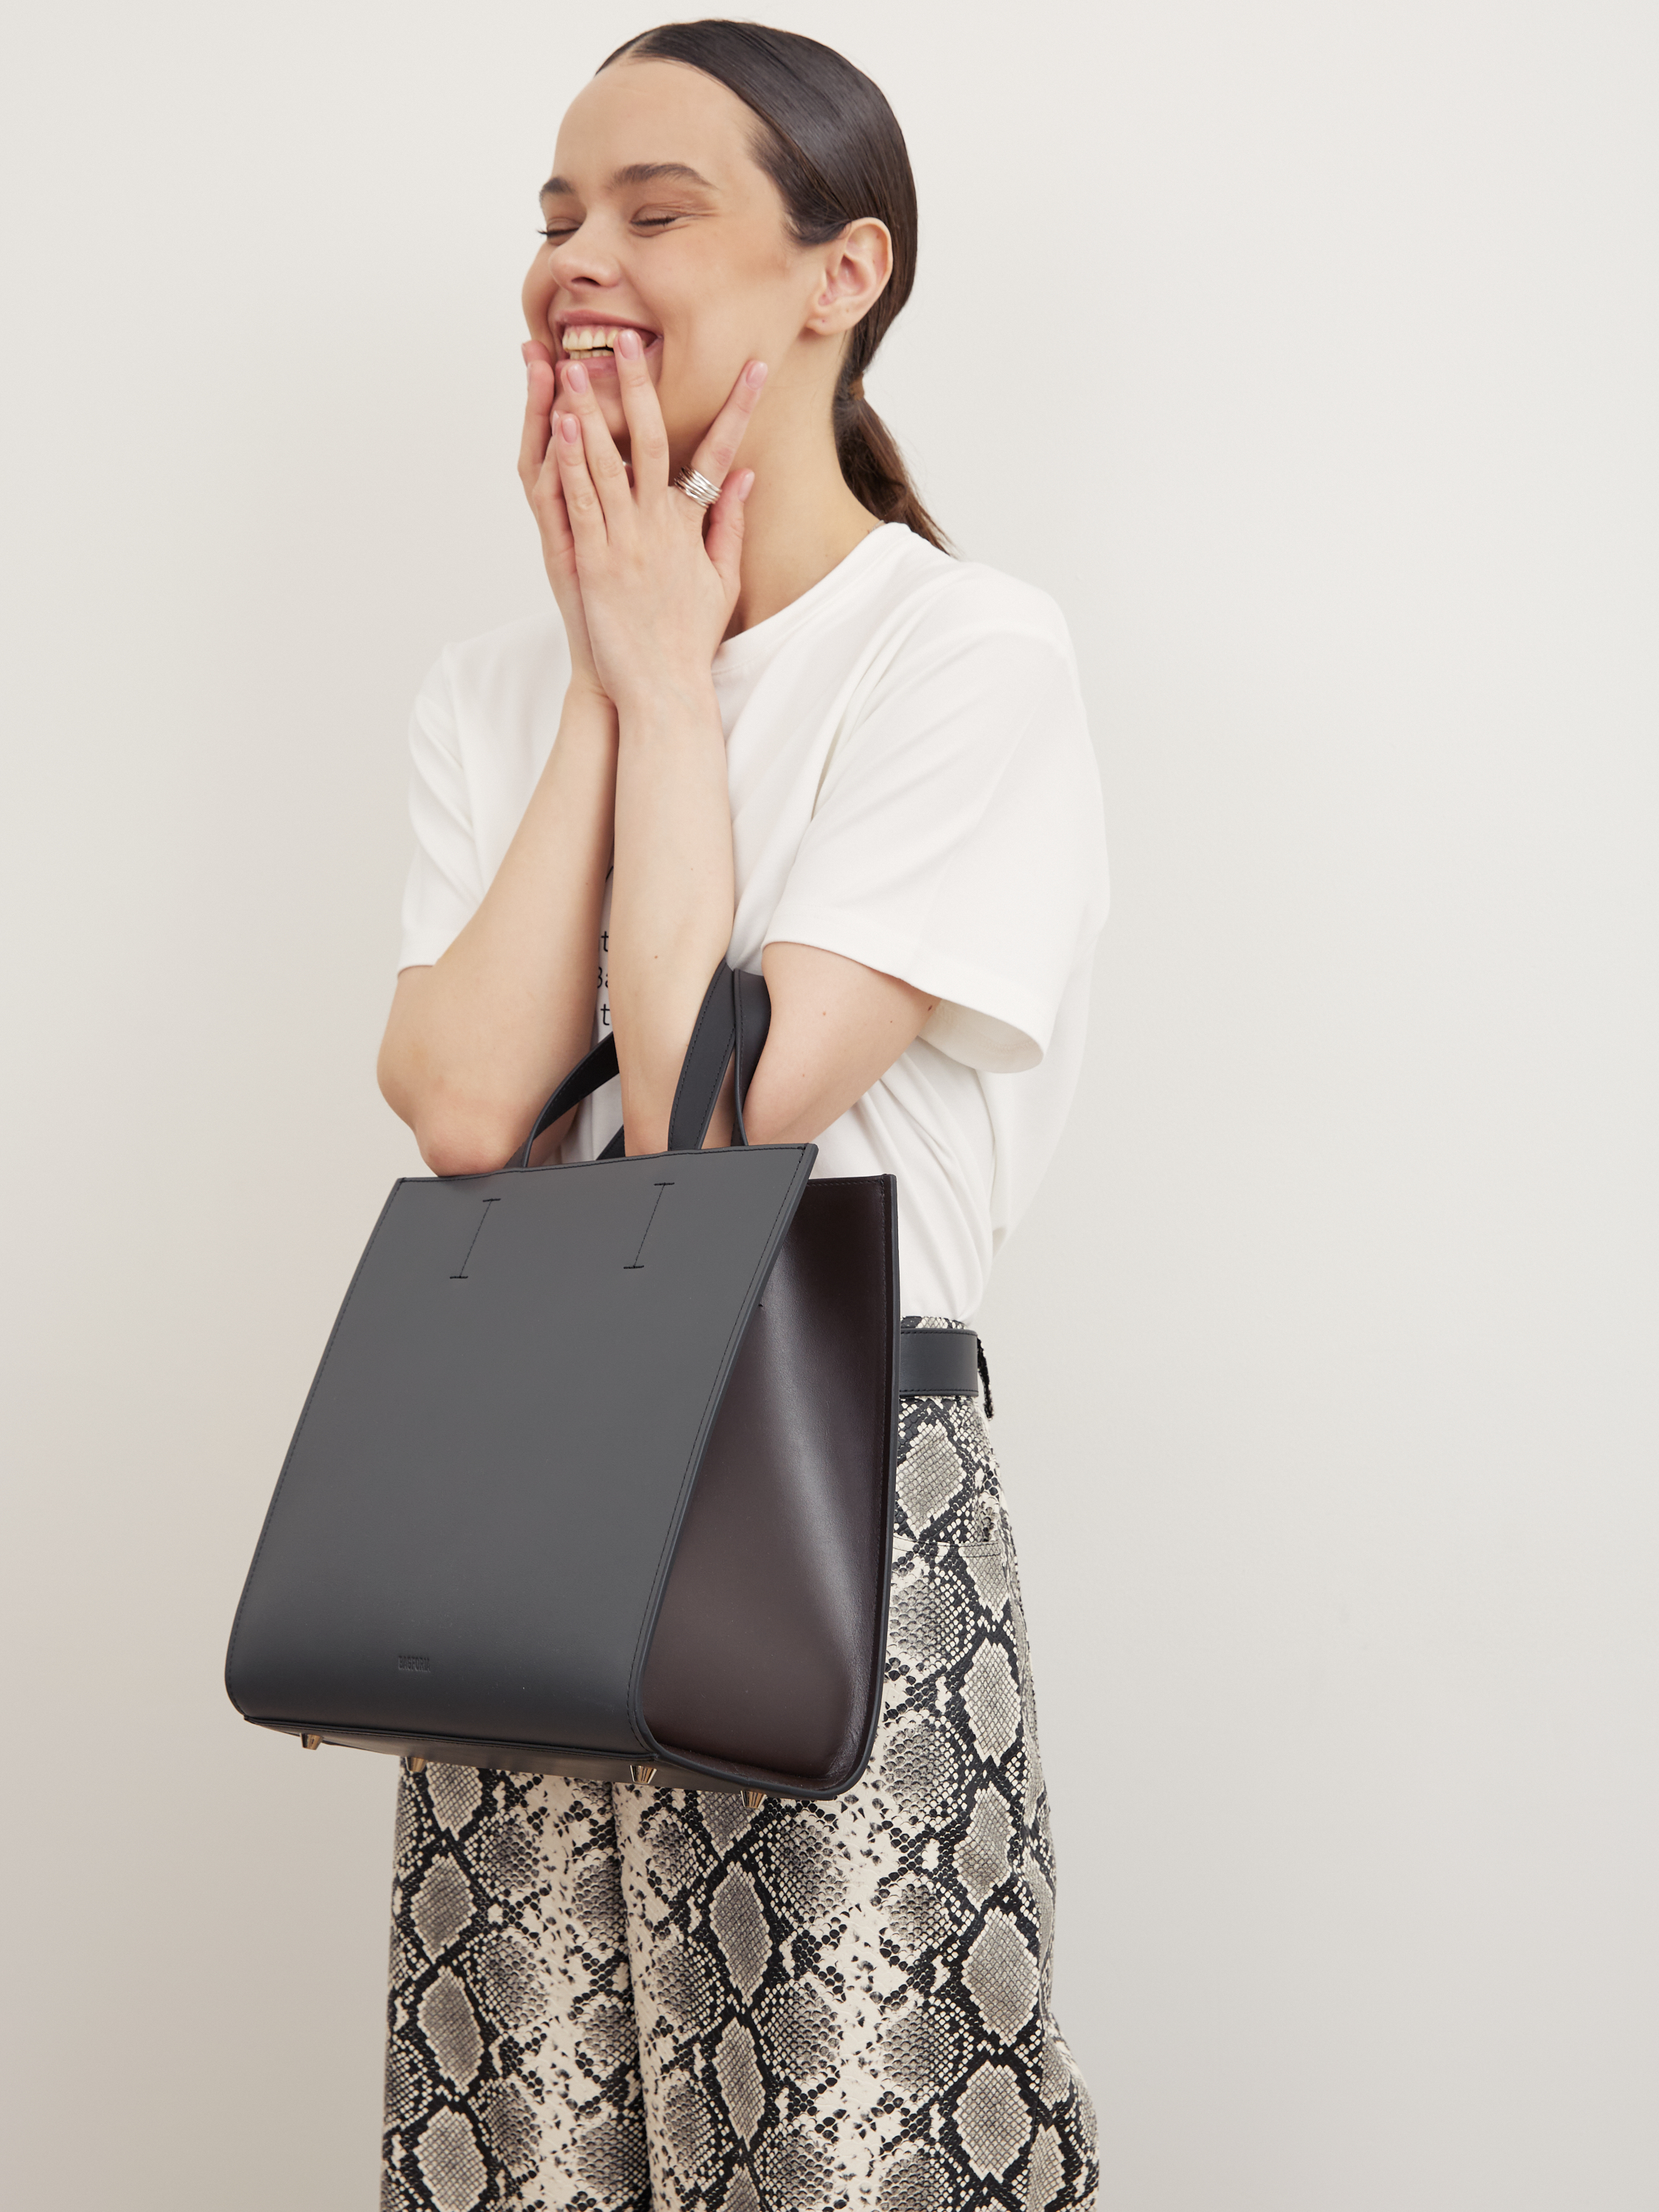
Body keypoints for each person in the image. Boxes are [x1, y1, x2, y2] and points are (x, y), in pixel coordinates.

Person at [375, 21, 1108, 2211]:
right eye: (554, 216)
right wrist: (616, 681)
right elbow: (469, 1110)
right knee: (526, 2157)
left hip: (828, 1496)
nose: (574, 261)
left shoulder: (961, 655)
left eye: (656, 210)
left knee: (841, 2152)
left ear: (839, 274)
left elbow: (718, 1130)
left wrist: (669, 690)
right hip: (530, 1510)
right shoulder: (492, 689)